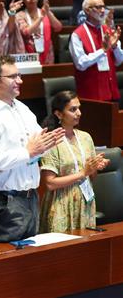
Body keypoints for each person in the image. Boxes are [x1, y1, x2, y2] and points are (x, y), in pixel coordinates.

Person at [0, 55, 63, 243]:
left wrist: (46, 145)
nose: (19, 81)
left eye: (19, 75)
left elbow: (39, 146)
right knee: (6, 266)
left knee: (30, 264)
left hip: (31, 198)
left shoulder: (23, 109)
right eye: (13, 77)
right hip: (5, 203)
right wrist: (28, 152)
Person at [39, 91, 109, 233]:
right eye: (72, 109)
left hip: (84, 201)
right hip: (60, 203)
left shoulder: (85, 137)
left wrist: (95, 167)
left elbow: (91, 177)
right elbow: (50, 183)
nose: (79, 113)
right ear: (59, 114)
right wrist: (83, 172)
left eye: (79, 108)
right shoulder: (51, 140)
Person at [70, 0, 123, 101]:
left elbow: (119, 61)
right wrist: (102, 50)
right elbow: (80, 64)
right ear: (87, 10)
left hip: (111, 92)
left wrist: (114, 46)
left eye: (103, 7)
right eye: (98, 7)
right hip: (91, 95)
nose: (103, 10)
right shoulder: (77, 35)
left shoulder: (109, 31)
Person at [15, 0, 63, 64]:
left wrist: (48, 12)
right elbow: (26, 32)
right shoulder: (20, 15)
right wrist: (40, 18)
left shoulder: (45, 12)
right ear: (23, 0)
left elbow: (58, 27)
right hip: (28, 54)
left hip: (47, 52)